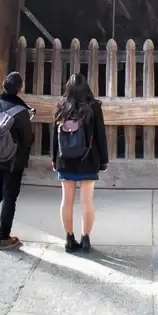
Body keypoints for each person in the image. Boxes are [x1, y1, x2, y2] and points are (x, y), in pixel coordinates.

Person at [52, 73, 109, 253]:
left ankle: (69, 239)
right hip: (88, 158)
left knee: (66, 201)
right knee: (87, 201)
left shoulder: (62, 105)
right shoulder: (94, 107)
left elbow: (55, 135)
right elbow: (100, 135)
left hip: (65, 159)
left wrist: (54, 158)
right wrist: (104, 160)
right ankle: (85, 239)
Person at [0, 71, 35, 251]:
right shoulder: (20, 111)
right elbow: (28, 138)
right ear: (20, 88)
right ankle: (4, 238)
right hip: (13, 159)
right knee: (9, 197)